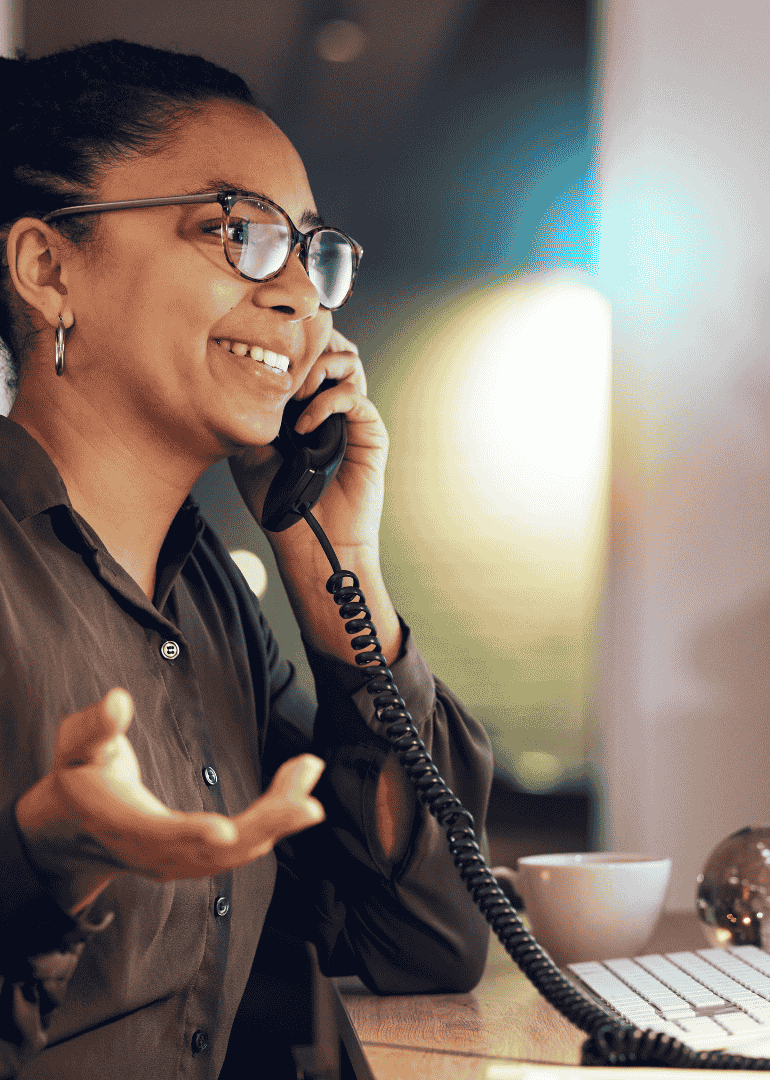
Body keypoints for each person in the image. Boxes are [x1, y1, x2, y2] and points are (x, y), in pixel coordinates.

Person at [0, 39, 493, 1079]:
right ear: (49, 269)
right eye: (238, 232)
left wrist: (333, 559)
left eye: (312, 253)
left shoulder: (210, 602)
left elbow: (423, 944)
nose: (304, 298)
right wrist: (43, 873)